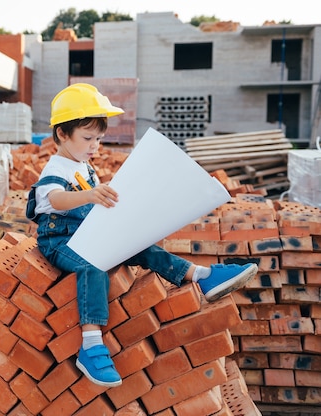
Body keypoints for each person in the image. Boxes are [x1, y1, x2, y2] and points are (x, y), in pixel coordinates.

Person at [26, 83, 258, 388]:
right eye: (87, 138)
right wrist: (91, 196)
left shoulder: (83, 163)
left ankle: (202, 276)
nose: (95, 145)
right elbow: (56, 199)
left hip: (85, 232)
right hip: (59, 241)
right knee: (91, 266)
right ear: (61, 134)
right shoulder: (56, 167)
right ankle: (91, 344)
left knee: (141, 246)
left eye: (99, 138)